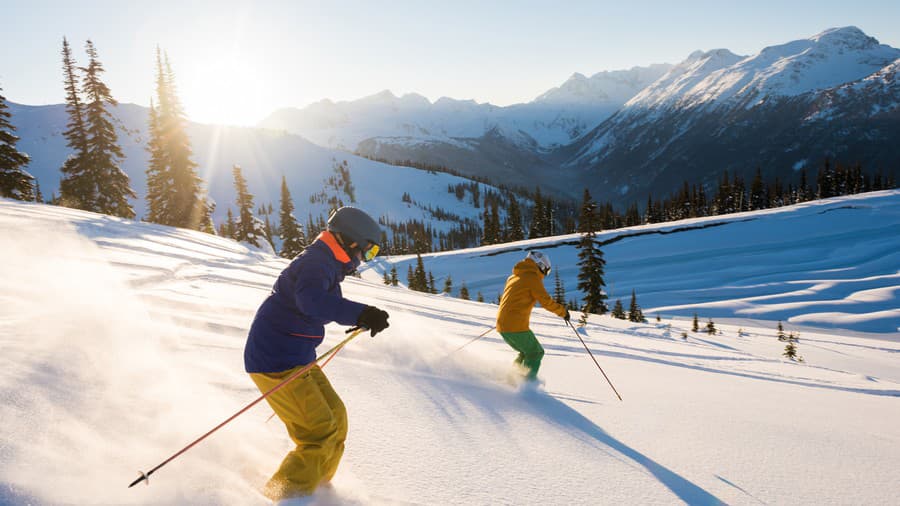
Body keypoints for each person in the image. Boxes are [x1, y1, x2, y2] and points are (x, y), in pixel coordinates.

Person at [244, 206, 390, 500]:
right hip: (275, 361)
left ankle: (317, 488)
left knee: (336, 417)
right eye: (368, 252)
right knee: (318, 433)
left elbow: (316, 304)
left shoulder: (327, 264)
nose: (365, 259)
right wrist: (361, 313)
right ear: (350, 242)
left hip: (295, 358)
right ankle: (285, 497)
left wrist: (361, 315)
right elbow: (312, 301)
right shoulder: (316, 263)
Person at [496, 250, 569, 382]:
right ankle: (526, 386)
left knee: (525, 353)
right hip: (515, 325)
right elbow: (546, 301)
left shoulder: (514, 277)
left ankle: (511, 380)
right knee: (536, 353)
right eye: (546, 271)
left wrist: (505, 318)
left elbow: (510, 298)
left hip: (503, 324)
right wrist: (563, 312)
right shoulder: (532, 278)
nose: (545, 274)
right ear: (540, 266)